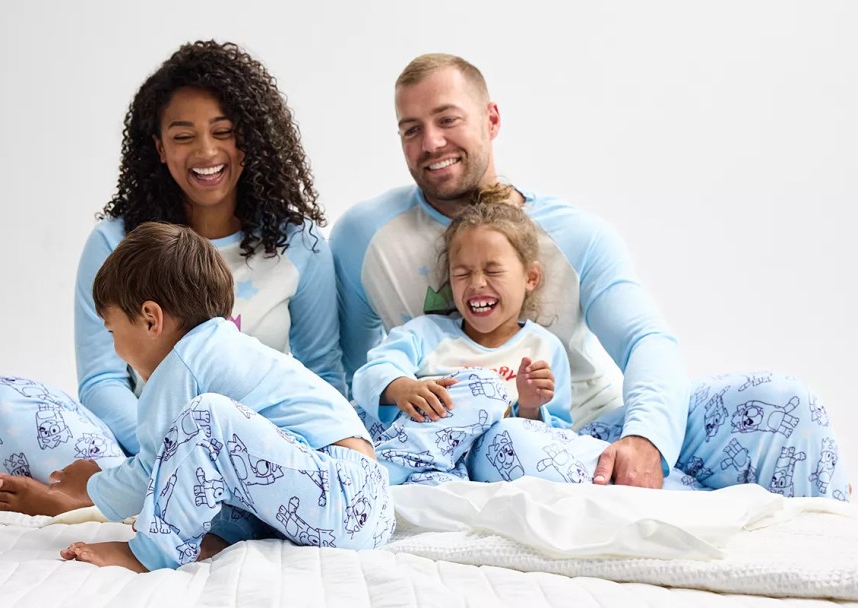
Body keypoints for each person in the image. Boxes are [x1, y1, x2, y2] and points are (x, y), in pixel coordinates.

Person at [331, 53, 849, 499]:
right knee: (512, 440)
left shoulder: (577, 233)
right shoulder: (365, 235)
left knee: (786, 400)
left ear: (491, 119)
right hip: (501, 446)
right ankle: (695, 507)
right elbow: (350, 372)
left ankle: (826, 554)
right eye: (411, 129)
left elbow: (646, 339)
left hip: (596, 426)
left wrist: (645, 438)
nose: (431, 142)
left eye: (448, 119)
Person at [0, 40, 345, 516]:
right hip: (133, 443)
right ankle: (140, 492)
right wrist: (162, 448)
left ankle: (110, 499)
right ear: (160, 148)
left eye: (223, 131)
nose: (205, 151)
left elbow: (323, 374)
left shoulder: (299, 244)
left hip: (253, 453)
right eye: (183, 136)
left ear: (251, 142)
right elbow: (103, 381)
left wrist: (217, 449)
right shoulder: (115, 243)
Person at [56, 222, 392, 572]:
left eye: (113, 331)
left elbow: (154, 470)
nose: (115, 347)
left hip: (340, 493)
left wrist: (91, 487)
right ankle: (219, 537)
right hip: (366, 503)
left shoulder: (183, 363)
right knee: (218, 467)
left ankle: (150, 553)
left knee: (204, 420)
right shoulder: (227, 347)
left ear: (150, 319)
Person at [355, 194, 698, 489]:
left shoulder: (544, 348)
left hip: (486, 465)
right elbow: (372, 372)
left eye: (492, 271)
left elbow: (550, 436)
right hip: (420, 450)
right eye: (462, 273)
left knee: (500, 415)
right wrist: (400, 387)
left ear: (531, 277)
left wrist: (532, 405)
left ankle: (653, 486)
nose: (476, 283)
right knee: (481, 389)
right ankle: (380, 472)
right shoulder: (425, 333)